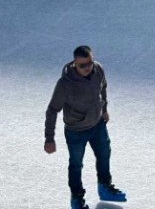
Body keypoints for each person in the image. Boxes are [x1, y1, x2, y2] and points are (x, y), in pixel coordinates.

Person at [44, 46, 127, 209]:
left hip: (97, 125)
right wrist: (49, 139)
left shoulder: (98, 70)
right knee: (76, 165)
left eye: (89, 62)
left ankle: (104, 187)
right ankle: (76, 199)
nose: (87, 67)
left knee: (104, 154)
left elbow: (103, 87)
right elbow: (52, 110)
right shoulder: (65, 84)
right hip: (76, 131)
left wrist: (104, 109)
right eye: (82, 65)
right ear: (75, 63)